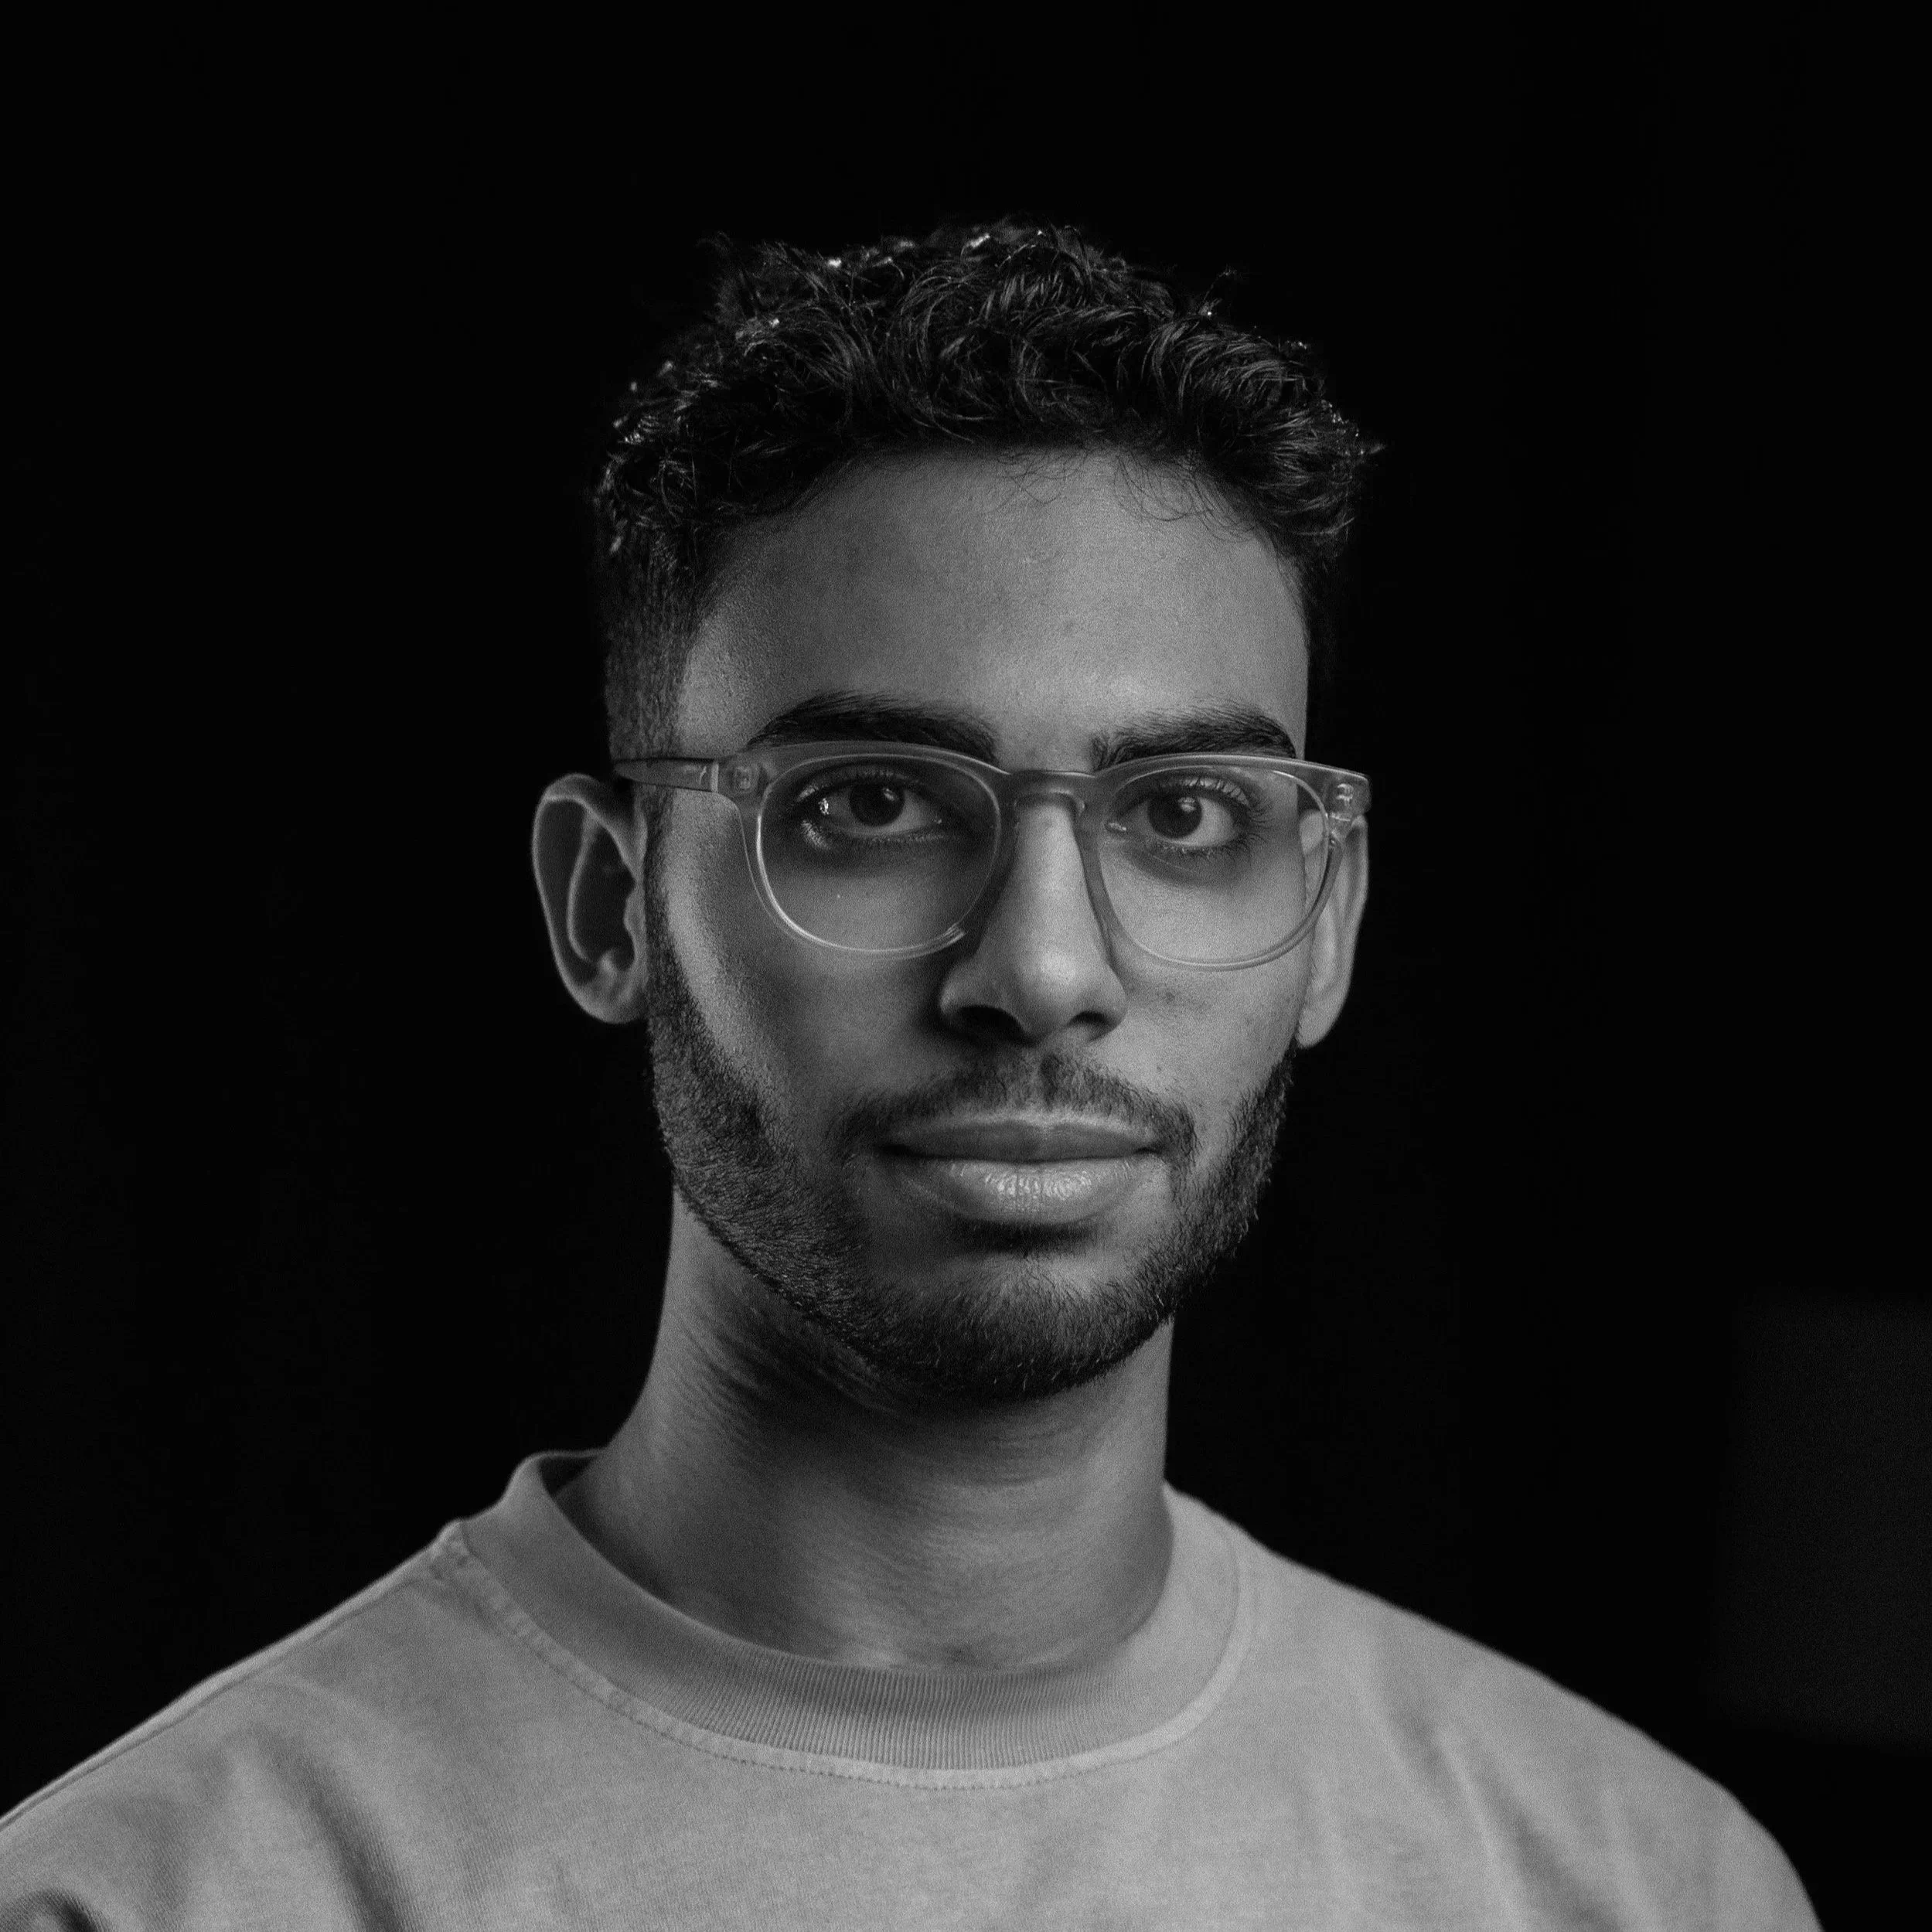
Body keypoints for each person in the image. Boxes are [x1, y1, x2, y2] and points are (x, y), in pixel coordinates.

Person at [1, 222, 1816, 1930]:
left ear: (1324, 919)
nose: (1040, 969)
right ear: (610, 901)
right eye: (868, 803)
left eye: (1185, 815)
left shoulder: (1638, 1886)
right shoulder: (156, 1893)